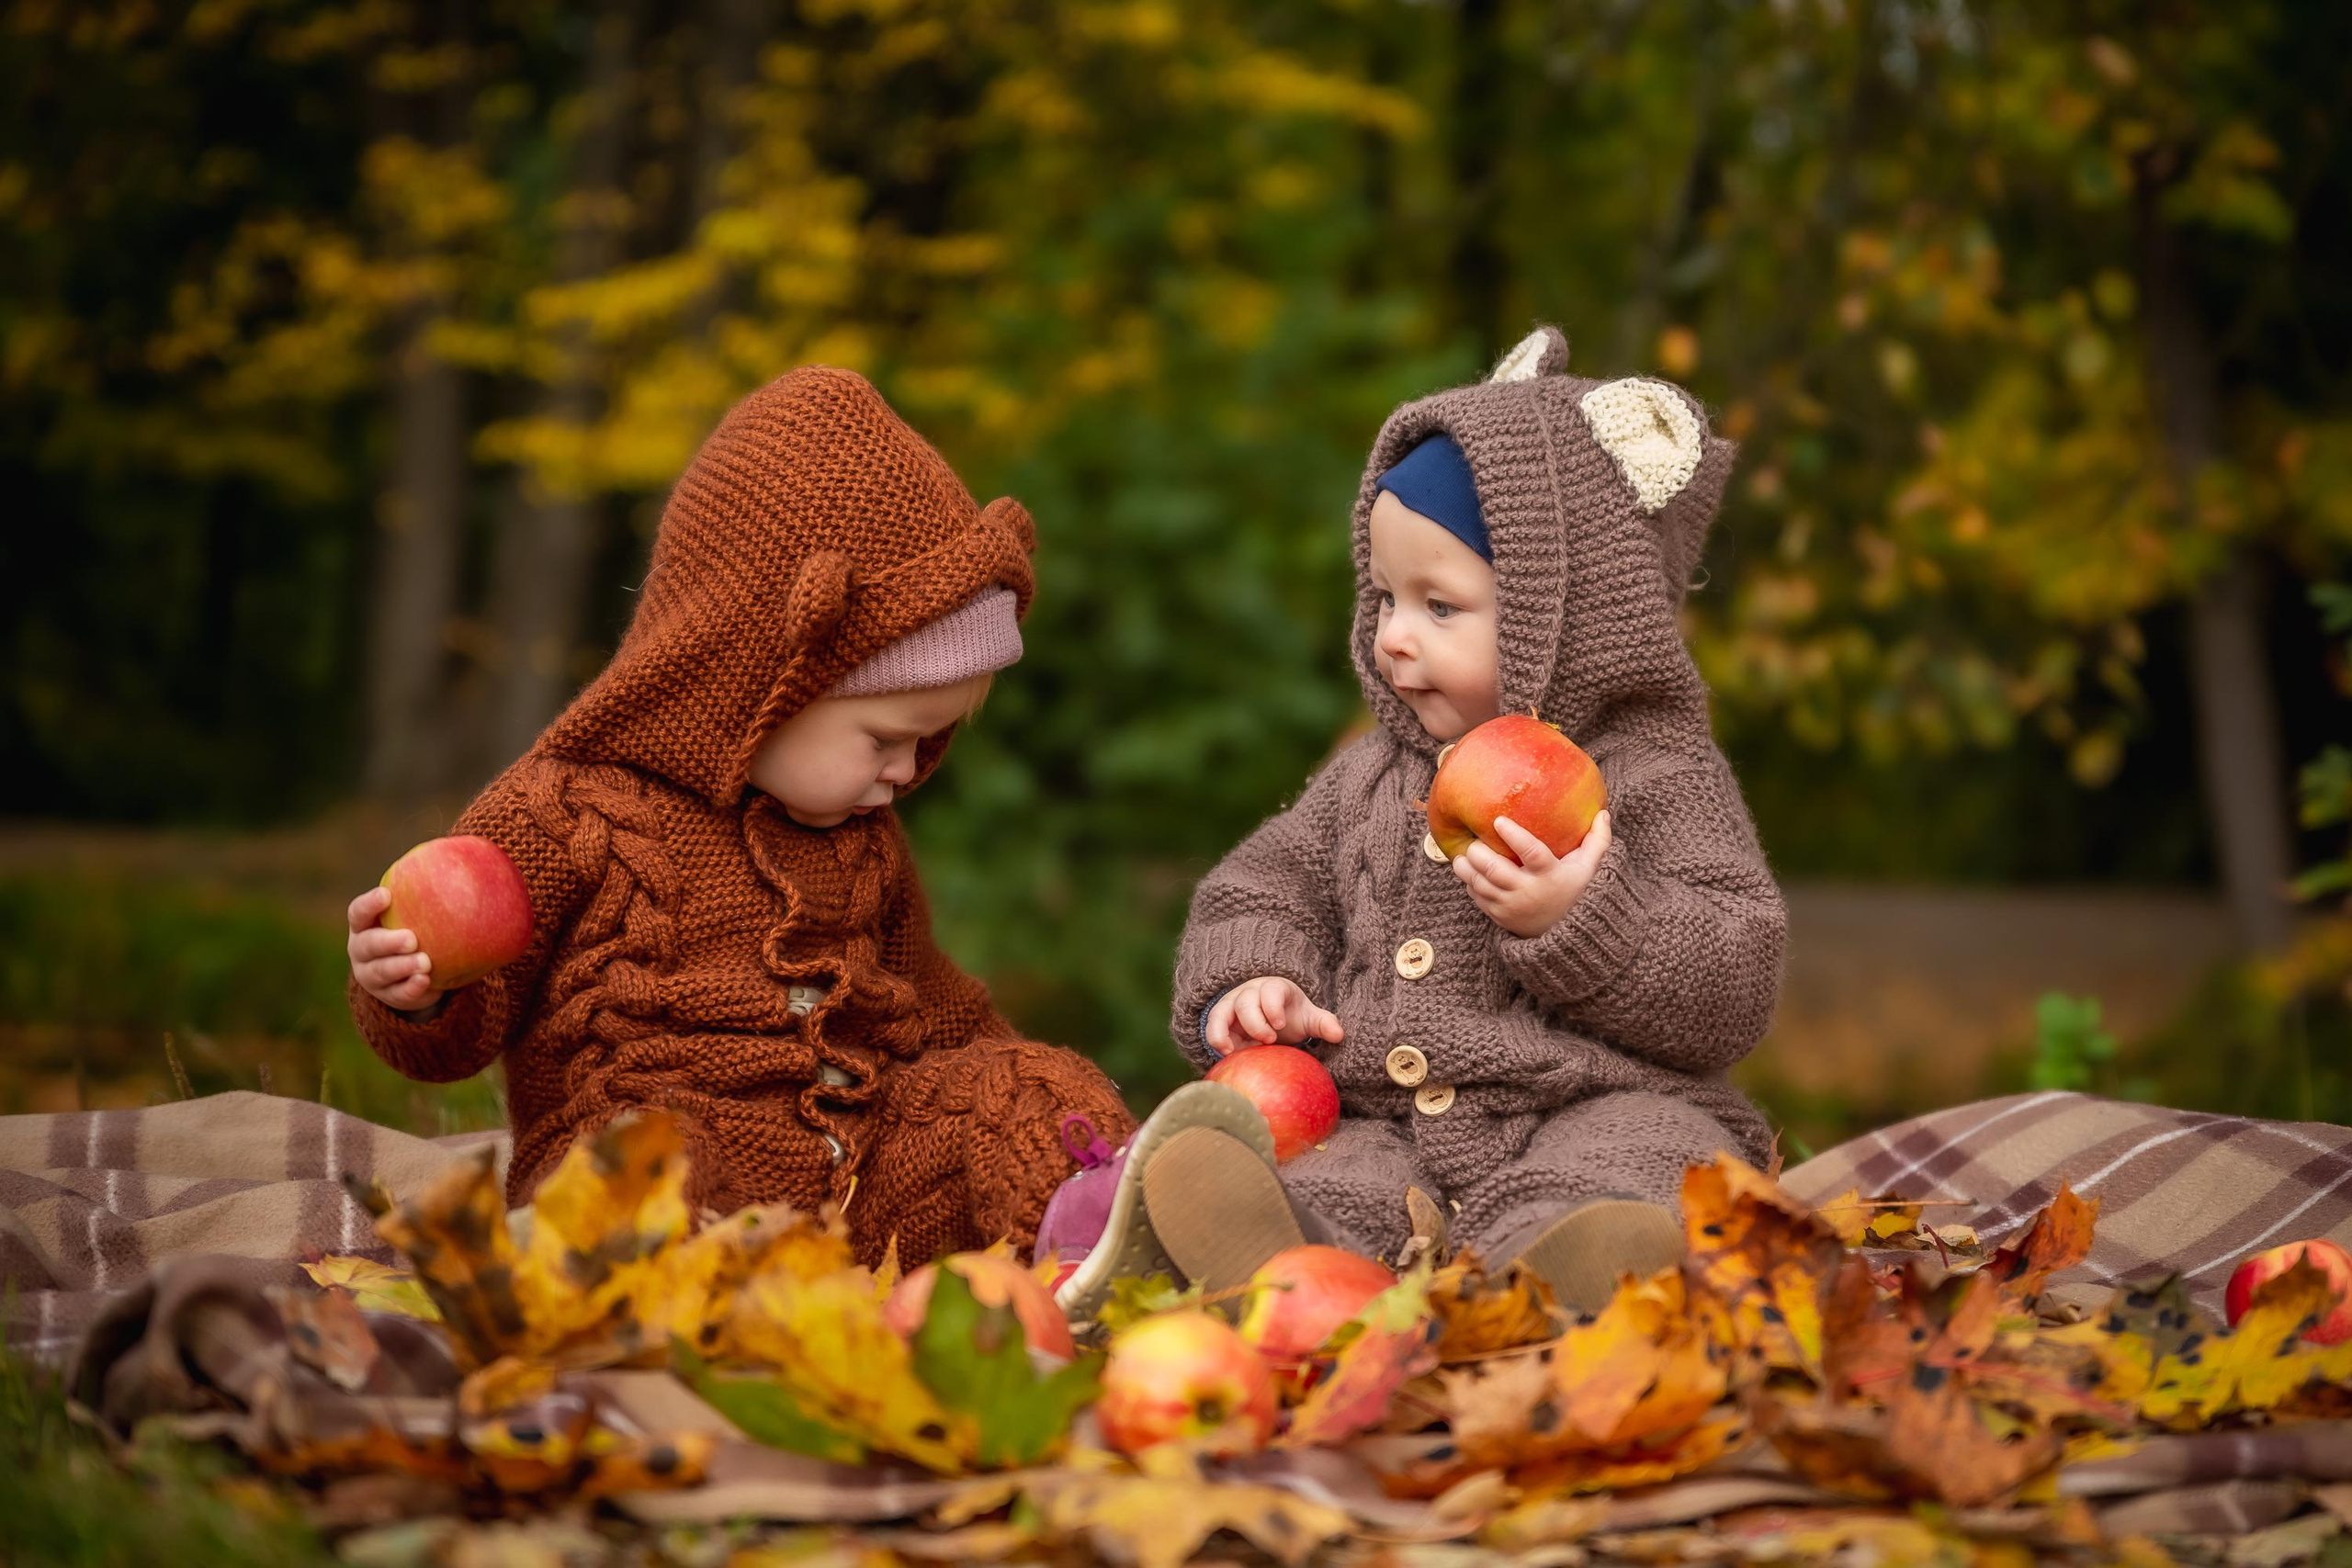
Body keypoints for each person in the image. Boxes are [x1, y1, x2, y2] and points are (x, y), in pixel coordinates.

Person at [345, 367, 1133, 1265]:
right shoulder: (565, 809)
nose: (908, 769)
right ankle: (673, 1314)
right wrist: (415, 992)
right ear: (755, 679)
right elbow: (465, 1024)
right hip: (672, 1155)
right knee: (636, 1171)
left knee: (1025, 1083)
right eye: (884, 736)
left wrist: (1009, 1090)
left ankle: (1106, 1239)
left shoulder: (862, 836)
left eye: (932, 740)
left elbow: (932, 1011)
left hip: (861, 1187)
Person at [1128, 325, 1785, 1310]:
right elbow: (1262, 883)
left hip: (1593, 1100)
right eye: (1385, 596)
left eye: (1439, 607)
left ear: (1562, 619)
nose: (1391, 637)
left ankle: (1561, 1269)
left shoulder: (1653, 776)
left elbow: (1732, 977)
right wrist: (1258, 978)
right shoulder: (1367, 780)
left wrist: (1581, 914)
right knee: (1334, 1179)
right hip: (1384, 1123)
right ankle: (1286, 1255)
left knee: (1649, 1161)